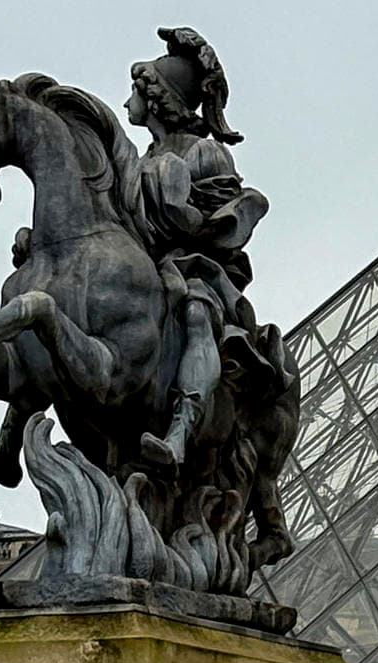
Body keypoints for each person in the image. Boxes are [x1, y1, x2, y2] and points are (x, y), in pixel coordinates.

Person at [121, 27, 286, 470]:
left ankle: (180, 430)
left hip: (199, 270)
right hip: (143, 267)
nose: (126, 104)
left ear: (156, 99)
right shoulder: (134, 161)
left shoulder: (206, 155)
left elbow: (224, 223)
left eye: (133, 92)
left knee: (196, 314)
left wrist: (177, 218)